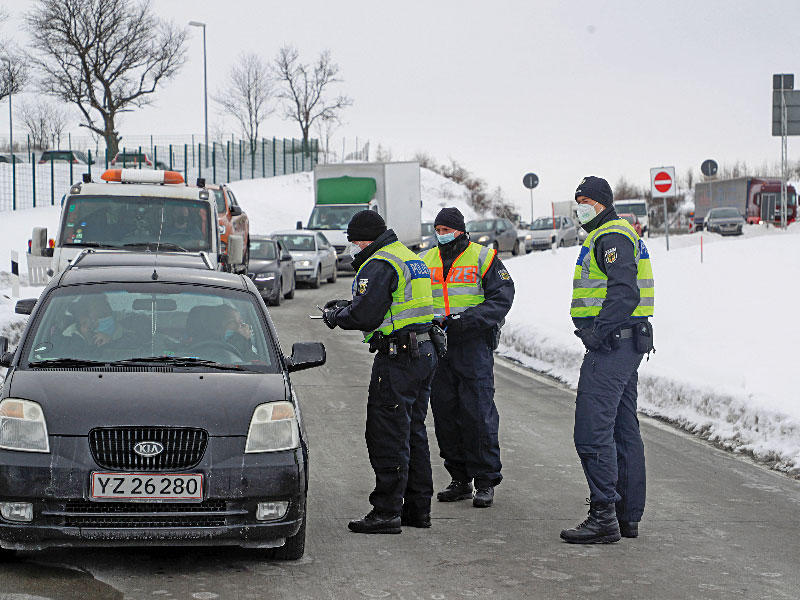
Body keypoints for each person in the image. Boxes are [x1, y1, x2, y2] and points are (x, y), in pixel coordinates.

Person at [322, 210, 438, 534]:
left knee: (387, 433)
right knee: (413, 430)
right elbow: (386, 302)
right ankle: (418, 509)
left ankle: (386, 512)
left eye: (353, 242)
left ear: (363, 239)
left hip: (399, 357)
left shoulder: (379, 263)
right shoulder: (408, 257)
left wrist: (337, 316)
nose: (352, 249)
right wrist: (348, 305)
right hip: (424, 351)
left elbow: (365, 315)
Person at [560, 176, 655, 544]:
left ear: (600, 202)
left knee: (592, 429)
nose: (579, 207)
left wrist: (597, 333)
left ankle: (604, 516)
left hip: (613, 345)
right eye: (576, 200)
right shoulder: (611, 233)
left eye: (584, 200)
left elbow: (624, 291)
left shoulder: (610, 235)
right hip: (626, 343)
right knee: (622, 429)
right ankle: (625, 516)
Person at [420, 207, 514, 508]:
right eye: (439, 229)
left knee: (478, 413)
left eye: (447, 229)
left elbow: (501, 298)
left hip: (472, 344)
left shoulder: (483, 257)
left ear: (461, 230)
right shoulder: (425, 260)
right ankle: (459, 478)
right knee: (446, 414)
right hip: (438, 345)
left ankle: (485, 480)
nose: (442, 234)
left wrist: (467, 320)